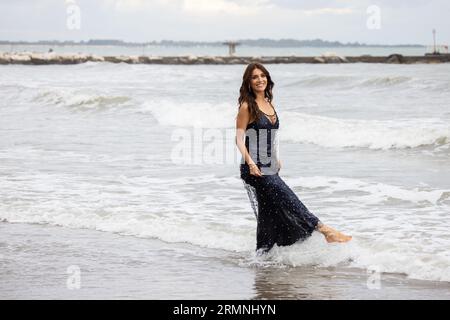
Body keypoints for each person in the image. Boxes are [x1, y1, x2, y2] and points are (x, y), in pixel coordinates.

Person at [235, 62, 352, 254]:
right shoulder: (247, 107)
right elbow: (239, 139)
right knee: (288, 198)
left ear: (267, 79)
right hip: (253, 167)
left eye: (262, 76)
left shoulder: (269, 104)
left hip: (269, 164)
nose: (259, 80)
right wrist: (251, 163)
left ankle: (263, 254)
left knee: (269, 214)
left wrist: (276, 157)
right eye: (255, 77)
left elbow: (269, 136)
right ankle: (325, 230)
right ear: (248, 82)